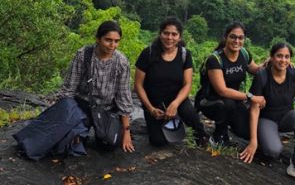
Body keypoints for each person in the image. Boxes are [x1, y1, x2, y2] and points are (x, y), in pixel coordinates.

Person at [239, 42, 295, 178]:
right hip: (267, 119)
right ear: (271, 57)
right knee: (273, 151)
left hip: (286, 117)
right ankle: (265, 137)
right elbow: (254, 108)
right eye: (279, 56)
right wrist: (253, 141)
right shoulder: (262, 76)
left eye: (287, 57)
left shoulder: (294, 74)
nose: (283, 60)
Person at [58, 20, 134, 152]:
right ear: (98, 39)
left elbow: (123, 96)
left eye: (116, 41)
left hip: (106, 109)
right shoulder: (83, 55)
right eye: (108, 40)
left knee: (109, 145)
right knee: (71, 144)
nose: (112, 45)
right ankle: (80, 131)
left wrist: (126, 132)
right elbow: (68, 89)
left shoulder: (121, 62)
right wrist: (67, 123)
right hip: (82, 107)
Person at [134, 17, 208, 147]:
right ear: (160, 34)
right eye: (166, 33)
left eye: (174, 34)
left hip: (177, 99)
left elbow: (187, 84)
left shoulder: (184, 54)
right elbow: (138, 85)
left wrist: (175, 104)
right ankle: (161, 122)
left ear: (179, 37)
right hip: (154, 103)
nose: (169, 38)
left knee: (192, 116)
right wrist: (150, 109)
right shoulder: (148, 53)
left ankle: (201, 135)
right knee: (158, 142)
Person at [198, 21, 265, 146]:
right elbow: (222, 91)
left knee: (245, 132)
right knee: (227, 104)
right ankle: (218, 136)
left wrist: (274, 61)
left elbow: (256, 70)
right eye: (233, 37)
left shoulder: (244, 54)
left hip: (235, 101)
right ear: (226, 37)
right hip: (210, 101)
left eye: (240, 38)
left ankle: (228, 126)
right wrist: (251, 97)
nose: (236, 41)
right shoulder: (215, 59)